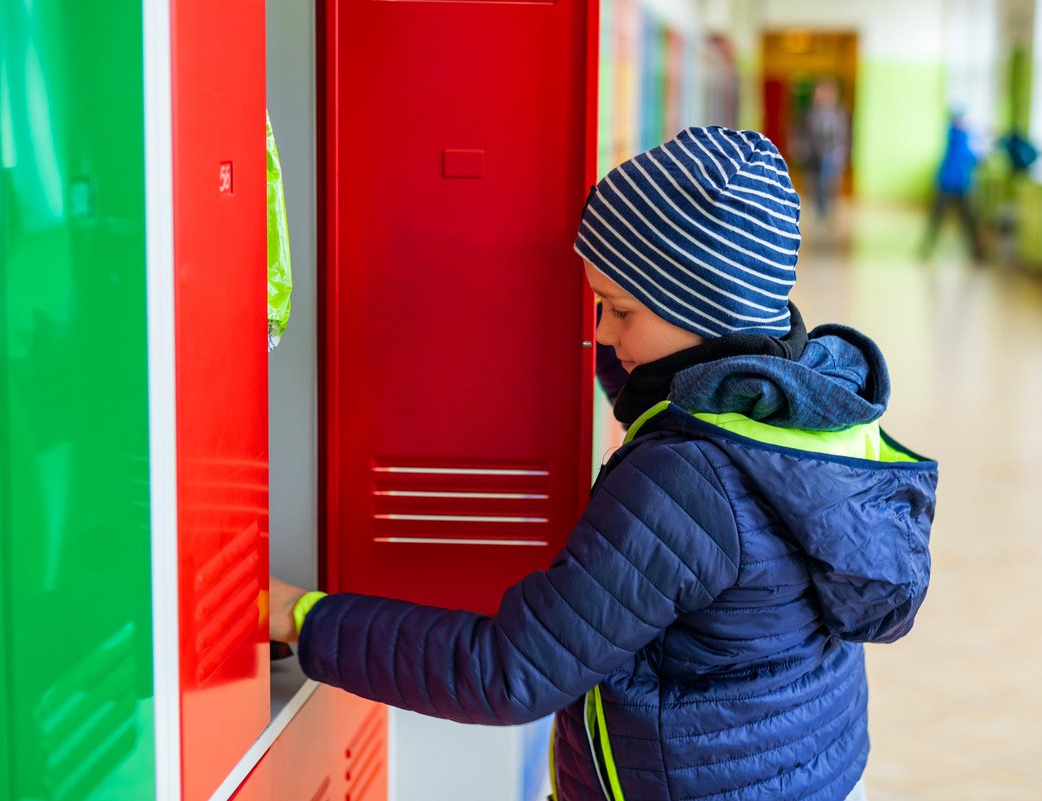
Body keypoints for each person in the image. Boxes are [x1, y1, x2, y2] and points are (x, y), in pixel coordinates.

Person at [270, 127, 938, 801]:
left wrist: (301, 614)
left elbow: (508, 671)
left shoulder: (684, 481)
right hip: (800, 767)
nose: (605, 333)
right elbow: (668, 397)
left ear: (704, 311)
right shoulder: (802, 398)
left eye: (621, 310)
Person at [923, 112, 984, 261]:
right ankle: (976, 251)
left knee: (945, 219)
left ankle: (927, 248)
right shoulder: (960, 138)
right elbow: (974, 158)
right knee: (964, 219)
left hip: (950, 184)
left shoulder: (955, 137)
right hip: (956, 185)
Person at [797, 78, 851, 221]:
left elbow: (843, 134)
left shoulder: (839, 112)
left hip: (832, 153)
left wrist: (842, 151)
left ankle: (828, 211)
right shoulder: (809, 112)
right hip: (813, 154)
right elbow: (803, 132)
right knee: (814, 183)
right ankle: (818, 211)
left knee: (829, 182)